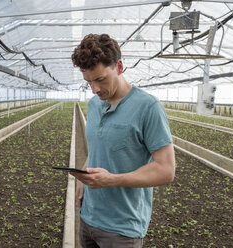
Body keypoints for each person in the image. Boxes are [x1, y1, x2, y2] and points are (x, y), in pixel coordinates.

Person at [70, 33, 175, 248]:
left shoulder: (148, 107)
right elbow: (98, 147)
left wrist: (112, 179)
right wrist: (83, 173)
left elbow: (166, 170)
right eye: (88, 81)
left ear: (118, 66)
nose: (94, 89)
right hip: (88, 217)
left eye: (100, 79)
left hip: (121, 229)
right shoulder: (94, 105)